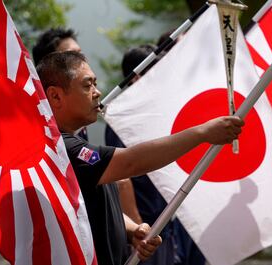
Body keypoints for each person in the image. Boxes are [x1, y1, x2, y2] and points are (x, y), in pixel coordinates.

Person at [36, 51, 244, 265]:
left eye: (95, 84)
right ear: (55, 96)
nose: (97, 92)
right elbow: (130, 162)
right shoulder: (60, 148)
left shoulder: (71, 143)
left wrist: (132, 230)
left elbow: (91, 209)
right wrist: (202, 133)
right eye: (87, 85)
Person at [105, 44, 206, 265]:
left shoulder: (159, 111)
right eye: (155, 71)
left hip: (174, 218)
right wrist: (137, 227)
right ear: (136, 77)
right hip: (148, 225)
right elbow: (122, 178)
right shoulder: (122, 119)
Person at [32, 28, 88, 140]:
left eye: (80, 54)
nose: (82, 61)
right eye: (72, 56)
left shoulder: (79, 118)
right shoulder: (43, 131)